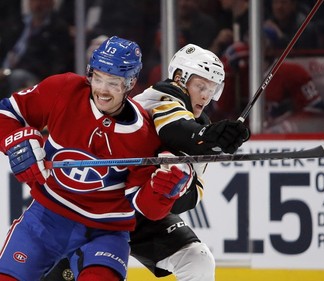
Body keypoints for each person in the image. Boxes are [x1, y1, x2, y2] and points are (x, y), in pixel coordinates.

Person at [43, 44, 250, 281]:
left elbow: (189, 198)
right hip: (99, 208)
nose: (206, 95)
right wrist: (210, 138)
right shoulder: (158, 97)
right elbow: (176, 130)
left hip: (141, 211)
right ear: (180, 78)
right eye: (200, 86)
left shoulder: (200, 126)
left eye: (211, 89)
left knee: (197, 260)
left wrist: (172, 186)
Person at [0, 36, 196, 280]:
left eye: (113, 82)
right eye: (98, 77)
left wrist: (164, 189)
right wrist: (15, 140)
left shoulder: (143, 135)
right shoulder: (64, 90)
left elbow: (148, 209)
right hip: (46, 218)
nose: (102, 90)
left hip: (105, 232)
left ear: (130, 82)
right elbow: (6, 113)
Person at [0, 0, 74, 96]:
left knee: (17, 76)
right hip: (6, 69)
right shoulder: (18, 24)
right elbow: (4, 48)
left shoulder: (57, 28)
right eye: (34, 1)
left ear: (51, 3)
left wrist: (7, 73)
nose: (37, 5)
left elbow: (52, 63)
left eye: (42, 1)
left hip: (32, 74)